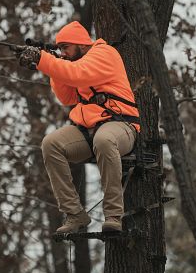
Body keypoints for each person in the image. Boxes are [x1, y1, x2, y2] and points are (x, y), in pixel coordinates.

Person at [16, 21, 140, 233]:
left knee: (104, 139)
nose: (63, 53)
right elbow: (67, 97)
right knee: (51, 144)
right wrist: (50, 64)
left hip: (122, 126)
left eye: (65, 47)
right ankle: (75, 215)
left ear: (81, 44)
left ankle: (113, 215)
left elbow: (76, 73)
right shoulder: (77, 61)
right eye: (60, 49)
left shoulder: (104, 53)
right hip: (90, 129)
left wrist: (44, 60)